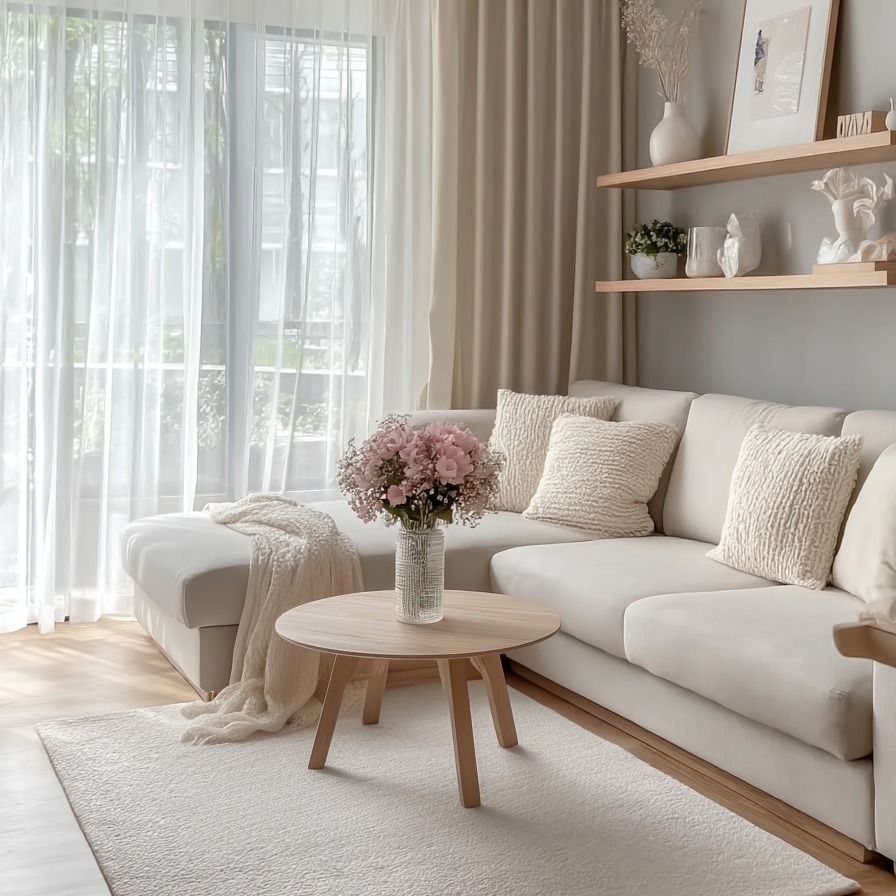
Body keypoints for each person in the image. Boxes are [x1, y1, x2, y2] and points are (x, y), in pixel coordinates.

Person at [754, 29, 769, 94]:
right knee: (760, 74)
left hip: (760, 58)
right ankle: (758, 88)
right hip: (760, 58)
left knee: (760, 74)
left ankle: (758, 88)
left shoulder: (764, 42)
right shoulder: (764, 42)